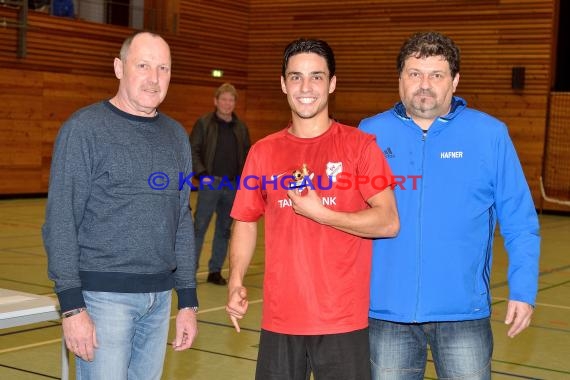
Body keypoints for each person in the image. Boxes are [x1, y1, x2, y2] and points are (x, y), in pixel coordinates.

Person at [359, 31, 540, 380]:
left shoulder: (490, 135)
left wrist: (523, 290)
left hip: (463, 314)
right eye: (414, 74)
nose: (423, 84)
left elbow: (519, 221)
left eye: (436, 75)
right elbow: (350, 219)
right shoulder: (370, 133)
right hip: (386, 313)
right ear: (400, 80)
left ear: (454, 81)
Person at [225, 38, 400, 380]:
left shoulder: (360, 146)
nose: (306, 87)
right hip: (280, 319)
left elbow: (388, 221)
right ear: (283, 84)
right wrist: (235, 280)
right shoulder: (263, 152)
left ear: (332, 83)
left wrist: (320, 213)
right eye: (296, 77)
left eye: (317, 77)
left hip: (342, 321)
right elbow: (245, 220)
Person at [42, 31, 198, 379]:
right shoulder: (85, 129)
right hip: (102, 300)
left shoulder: (176, 136)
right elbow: (61, 220)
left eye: (163, 68)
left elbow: (182, 219)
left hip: (159, 300)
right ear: (118, 67)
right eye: (143, 65)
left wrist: (187, 301)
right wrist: (72, 308)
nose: (154, 78)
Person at [190, 83, 251, 285]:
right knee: (199, 227)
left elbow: (248, 156)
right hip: (210, 183)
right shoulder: (204, 123)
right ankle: (189, 272)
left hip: (232, 185)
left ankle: (215, 271)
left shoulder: (241, 128)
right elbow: (193, 150)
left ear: (235, 103)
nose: (227, 103)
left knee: (224, 230)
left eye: (231, 100)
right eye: (223, 99)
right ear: (216, 101)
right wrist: (203, 175)